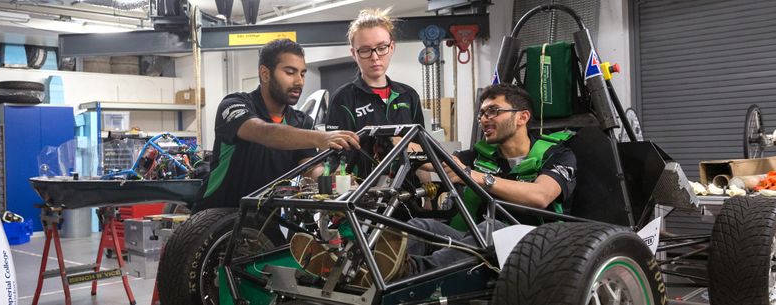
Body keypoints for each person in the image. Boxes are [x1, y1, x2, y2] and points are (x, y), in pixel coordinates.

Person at [293, 84, 578, 280]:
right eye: (481, 113)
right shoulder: (480, 154)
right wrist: (394, 141)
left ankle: (410, 273)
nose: (484, 119)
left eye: (493, 111)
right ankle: (350, 265)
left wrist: (474, 176)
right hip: (476, 238)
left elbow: (541, 195)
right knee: (418, 226)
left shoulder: (557, 153)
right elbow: (433, 158)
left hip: (534, 242)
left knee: (489, 227)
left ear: (522, 117)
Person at [194, 39, 360, 213]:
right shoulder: (234, 104)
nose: (299, 81)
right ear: (265, 74)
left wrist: (333, 180)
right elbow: (264, 132)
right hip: (215, 217)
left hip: (264, 224)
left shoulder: (302, 123)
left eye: (302, 74)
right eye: (290, 72)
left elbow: (310, 170)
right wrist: (322, 137)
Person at [325, 7, 425, 177]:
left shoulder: (408, 96)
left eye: (381, 47)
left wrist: (429, 199)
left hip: (407, 196)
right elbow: (336, 160)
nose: (375, 57)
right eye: (365, 50)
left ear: (391, 47)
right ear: (353, 54)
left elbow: (422, 152)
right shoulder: (344, 99)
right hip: (361, 197)